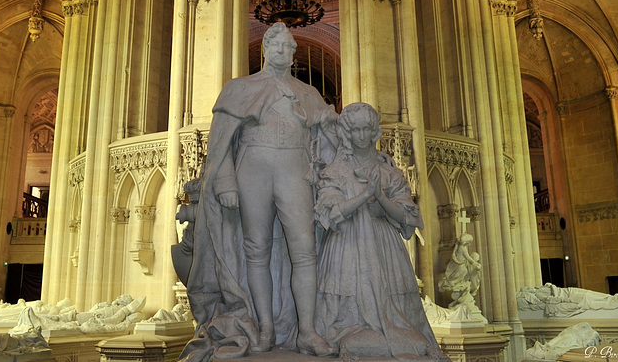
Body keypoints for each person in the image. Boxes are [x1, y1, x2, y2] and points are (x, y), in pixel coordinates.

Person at [177, 22, 338, 361]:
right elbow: (220, 143)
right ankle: (265, 327)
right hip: (253, 167)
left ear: (294, 53)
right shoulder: (240, 88)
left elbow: (327, 139)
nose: (282, 52)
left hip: (295, 166)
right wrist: (225, 182)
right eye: (276, 46)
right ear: (265, 50)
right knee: (256, 249)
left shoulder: (307, 92)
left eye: (287, 47)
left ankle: (307, 330)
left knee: (304, 248)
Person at [314, 102, 448, 361]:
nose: (362, 136)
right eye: (356, 130)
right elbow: (329, 212)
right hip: (346, 247)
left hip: (385, 248)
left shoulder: (389, 172)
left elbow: (409, 215)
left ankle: (385, 336)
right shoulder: (337, 170)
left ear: (375, 131)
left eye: (367, 129)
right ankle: (357, 336)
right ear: (347, 133)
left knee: (397, 316)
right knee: (343, 315)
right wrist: (365, 196)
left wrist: (381, 199)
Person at [438, 233, 482, 308]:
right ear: (467, 241)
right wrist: (475, 263)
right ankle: (453, 282)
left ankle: (459, 284)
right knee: (463, 272)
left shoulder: (459, 245)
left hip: (459, 264)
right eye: (469, 242)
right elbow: (468, 258)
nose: (470, 244)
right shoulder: (463, 248)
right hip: (459, 265)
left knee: (464, 275)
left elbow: (454, 255)